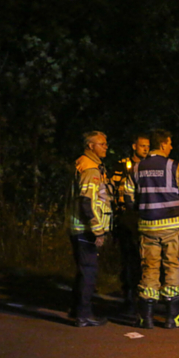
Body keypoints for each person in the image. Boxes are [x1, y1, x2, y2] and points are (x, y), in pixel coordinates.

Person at [124, 129, 179, 329]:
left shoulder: (136, 168)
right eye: (170, 143)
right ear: (163, 145)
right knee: (174, 267)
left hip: (147, 226)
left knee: (149, 269)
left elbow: (128, 199)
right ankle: (173, 318)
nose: (171, 147)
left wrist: (144, 208)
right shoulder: (175, 166)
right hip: (173, 227)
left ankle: (146, 318)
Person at [69, 131, 113, 327]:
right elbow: (86, 203)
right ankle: (84, 314)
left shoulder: (83, 164)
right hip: (86, 228)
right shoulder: (90, 170)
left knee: (82, 270)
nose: (106, 147)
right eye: (102, 144)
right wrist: (97, 230)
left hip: (77, 227)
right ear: (90, 146)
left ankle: (76, 310)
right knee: (89, 271)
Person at [110, 133, 150, 312]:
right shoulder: (122, 166)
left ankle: (143, 295)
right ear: (134, 146)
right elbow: (111, 188)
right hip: (126, 217)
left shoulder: (150, 166)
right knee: (128, 258)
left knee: (145, 259)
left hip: (145, 217)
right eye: (142, 146)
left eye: (148, 146)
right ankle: (128, 295)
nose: (146, 149)